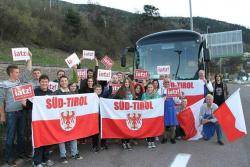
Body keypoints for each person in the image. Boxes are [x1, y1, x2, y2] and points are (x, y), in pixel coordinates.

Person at [0, 62, 32, 166]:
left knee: (21, 135)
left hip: (21, 112)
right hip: (11, 114)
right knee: (10, 136)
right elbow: (0, 101)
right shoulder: (4, 84)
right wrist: (2, 115)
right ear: (11, 73)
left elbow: (28, 70)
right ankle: (8, 158)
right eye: (17, 72)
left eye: (18, 72)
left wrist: (29, 58)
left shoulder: (20, 82)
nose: (19, 73)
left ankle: (20, 154)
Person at [25, 75, 55, 167]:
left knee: (48, 140)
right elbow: (28, 106)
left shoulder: (51, 93)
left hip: (48, 121)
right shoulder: (34, 92)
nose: (44, 83)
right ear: (39, 82)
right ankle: (37, 161)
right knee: (38, 140)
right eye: (42, 81)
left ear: (48, 82)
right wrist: (24, 102)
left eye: (46, 81)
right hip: (37, 121)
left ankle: (46, 159)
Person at [54, 76, 83, 163]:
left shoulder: (72, 93)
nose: (64, 82)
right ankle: (63, 156)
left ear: (67, 82)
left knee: (73, 135)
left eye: (65, 80)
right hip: (60, 118)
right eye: (62, 81)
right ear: (60, 83)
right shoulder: (56, 93)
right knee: (61, 137)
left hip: (71, 117)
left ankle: (75, 153)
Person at [114, 77, 136, 150]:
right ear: (124, 83)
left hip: (130, 112)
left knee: (129, 127)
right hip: (122, 113)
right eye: (125, 82)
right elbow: (115, 99)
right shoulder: (120, 90)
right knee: (123, 127)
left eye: (128, 82)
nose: (127, 84)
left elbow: (135, 101)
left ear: (130, 83)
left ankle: (128, 142)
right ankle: (123, 142)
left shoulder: (132, 91)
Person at [161, 77, 180, 144]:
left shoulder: (173, 90)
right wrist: (162, 99)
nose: (167, 83)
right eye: (165, 82)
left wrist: (178, 96)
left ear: (170, 83)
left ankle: (172, 137)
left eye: (168, 82)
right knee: (164, 125)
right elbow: (158, 100)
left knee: (173, 125)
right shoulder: (160, 90)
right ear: (163, 83)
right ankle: (164, 138)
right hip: (164, 109)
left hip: (172, 109)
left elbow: (177, 102)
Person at [141, 83, 160, 148]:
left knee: (153, 128)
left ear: (153, 88)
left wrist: (164, 99)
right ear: (147, 88)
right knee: (148, 128)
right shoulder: (144, 95)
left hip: (154, 114)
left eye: (151, 87)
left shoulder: (157, 95)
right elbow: (141, 104)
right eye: (148, 87)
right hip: (147, 114)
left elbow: (159, 103)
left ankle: (152, 141)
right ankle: (149, 141)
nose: (149, 89)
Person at [93, 84, 108, 150]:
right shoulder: (91, 97)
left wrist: (109, 86)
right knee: (95, 132)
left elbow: (109, 92)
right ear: (94, 90)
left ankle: (103, 144)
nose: (98, 91)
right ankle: (95, 145)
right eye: (97, 89)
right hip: (95, 116)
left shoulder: (103, 97)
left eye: (100, 89)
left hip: (102, 115)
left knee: (103, 130)